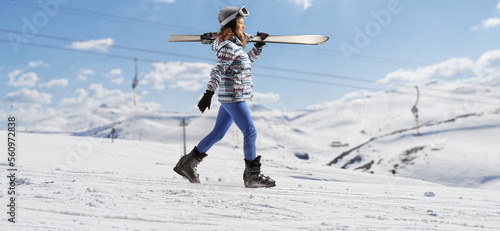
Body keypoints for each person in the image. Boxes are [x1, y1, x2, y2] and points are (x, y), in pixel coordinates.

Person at [174, 6, 276, 188]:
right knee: (250, 132)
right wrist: (208, 93)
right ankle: (252, 176)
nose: (244, 26)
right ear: (231, 24)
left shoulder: (233, 46)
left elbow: (245, 61)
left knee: (217, 133)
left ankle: (187, 164)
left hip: (231, 95)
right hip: (233, 96)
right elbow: (218, 70)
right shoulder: (228, 46)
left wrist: (258, 47)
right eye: (240, 23)